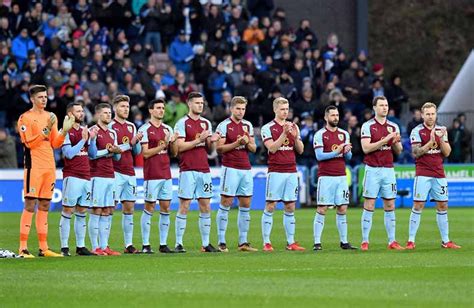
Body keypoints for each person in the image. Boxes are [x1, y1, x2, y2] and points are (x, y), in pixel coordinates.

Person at [17, 84, 75, 258]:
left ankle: (44, 248)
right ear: (32, 99)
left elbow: (55, 144)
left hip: (49, 167)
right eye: (41, 97)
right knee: (30, 204)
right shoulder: (25, 118)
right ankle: (23, 248)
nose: (44, 99)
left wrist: (64, 131)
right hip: (33, 166)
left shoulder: (51, 116)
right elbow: (28, 143)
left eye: (46, 96)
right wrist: (46, 130)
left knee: (44, 205)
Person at [406, 102, 461, 249]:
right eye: (428, 114)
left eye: (433, 113)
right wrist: (430, 142)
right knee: (418, 205)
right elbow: (416, 152)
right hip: (423, 172)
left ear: (436, 114)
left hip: (439, 172)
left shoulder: (441, 129)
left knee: (443, 205)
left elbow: (447, 152)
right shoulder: (417, 131)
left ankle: (446, 241)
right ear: (422, 115)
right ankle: (411, 240)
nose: (430, 116)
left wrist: (441, 139)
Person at [174, 92, 219, 253]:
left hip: (204, 169)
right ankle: (178, 243)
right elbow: (180, 147)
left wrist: (211, 142)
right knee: (184, 205)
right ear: (189, 104)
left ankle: (206, 244)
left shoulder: (206, 123)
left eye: (202, 103)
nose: (200, 105)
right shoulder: (182, 123)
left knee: (206, 206)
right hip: (187, 169)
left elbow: (210, 150)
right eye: (197, 103)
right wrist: (199, 140)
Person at [260, 97, 305, 251]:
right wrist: (284, 134)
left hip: (291, 171)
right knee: (271, 205)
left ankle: (290, 242)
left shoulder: (294, 127)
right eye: (282, 109)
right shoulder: (268, 128)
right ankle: (266, 242)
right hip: (276, 171)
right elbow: (272, 148)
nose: (285, 112)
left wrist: (293, 135)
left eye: (287, 109)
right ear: (275, 110)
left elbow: (300, 150)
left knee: (290, 206)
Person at [215, 96, 258, 252]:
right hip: (230, 167)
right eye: (238, 108)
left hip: (245, 168)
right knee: (226, 202)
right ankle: (221, 242)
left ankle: (243, 242)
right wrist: (237, 143)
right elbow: (219, 149)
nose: (241, 112)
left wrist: (247, 143)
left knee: (246, 203)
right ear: (231, 109)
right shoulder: (224, 125)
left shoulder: (248, 125)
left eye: (243, 109)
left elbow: (254, 148)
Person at [360, 95, 403, 251]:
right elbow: (366, 148)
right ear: (374, 108)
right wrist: (386, 140)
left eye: (386, 105)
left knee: (390, 203)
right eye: (381, 105)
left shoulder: (393, 126)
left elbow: (399, 151)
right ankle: (365, 241)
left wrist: (395, 142)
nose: (385, 107)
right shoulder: (367, 126)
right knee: (369, 204)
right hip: (372, 169)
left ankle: (392, 241)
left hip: (388, 169)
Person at [313, 106, 357, 251]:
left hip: (341, 177)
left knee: (343, 208)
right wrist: (337, 151)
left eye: (337, 115)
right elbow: (319, 156)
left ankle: (344, 242)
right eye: (332, 115)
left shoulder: (344, 134)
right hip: (326, 176)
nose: (335, 118)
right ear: (326, 117)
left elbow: (348, 157)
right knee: (322, 208)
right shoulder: (320, 134)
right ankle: (317, 242)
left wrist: (347, 151)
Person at [139, 98, 178, 253]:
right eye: (158, 108)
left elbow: (174, 153)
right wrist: (162, 145)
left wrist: (173, 142)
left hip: (166, 174)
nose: (161, 110)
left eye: (163, 108)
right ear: (151, 110)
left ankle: (163, 244)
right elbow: (146, 153)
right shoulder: (145, 129)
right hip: (152, 175)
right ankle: (145, 244)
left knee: (166, 208)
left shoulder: (167, 128)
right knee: (149, 207)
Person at [59, 102, 96, 256]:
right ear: (70, 114)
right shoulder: (65, 132)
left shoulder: (84, 130)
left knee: (82, 211)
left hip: (86, 176)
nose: (81, 113)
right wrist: (82, 140)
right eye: (78, 111)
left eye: (82, 111)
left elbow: (92, 155)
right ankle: (64, 247)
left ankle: (80, 246)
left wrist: (92, 140)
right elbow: (68, 154)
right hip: (72, 175)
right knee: (68, 210)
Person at [88, 103, 122, 256]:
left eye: (110, 113)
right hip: (97, 175)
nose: (109, 115)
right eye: (105, 113)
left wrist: (115, 151)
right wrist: (108, 151)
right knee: (97, 209)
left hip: (110, 175)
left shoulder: (113, 133)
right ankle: (95, 247)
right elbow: (92, 154)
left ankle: (105, 246)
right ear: (98, 115)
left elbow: (117, 156)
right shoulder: (92, 131)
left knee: (108, 210)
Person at [110, 95, 143, 254]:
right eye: (122, 106)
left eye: (127, 107)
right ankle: (104, 244)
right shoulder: (110, 126)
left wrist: (136, 142)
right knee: (110, 208)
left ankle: (128, 244)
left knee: (129, 208)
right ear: (115, 108)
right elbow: (112, 149)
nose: (126, 109)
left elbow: (136, 152)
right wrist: (130, 143)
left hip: (130, 171)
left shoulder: (131, 126)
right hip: (114, 171)